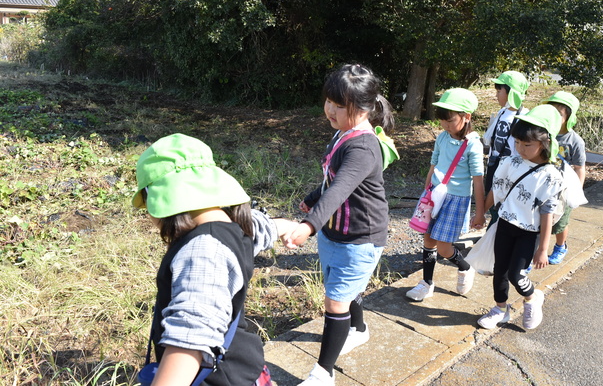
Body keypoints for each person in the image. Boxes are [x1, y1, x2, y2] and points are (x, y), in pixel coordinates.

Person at [132, 133, 293, 386]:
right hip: (243, 368)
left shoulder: (203, 250)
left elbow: (190, 340)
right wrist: (287, 226)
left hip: (220, 378)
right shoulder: (237, 225)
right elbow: (262, 228)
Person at [283, 64, 395, 386]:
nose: (330, 109)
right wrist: (312, 197)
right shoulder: (343, 133)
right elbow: (333, 179)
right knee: (345, 291)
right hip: (335, 233)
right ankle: (358, 329)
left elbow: (339, 190)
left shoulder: (362, 146)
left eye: (338, 104)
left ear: (361, 109)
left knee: (335, 301)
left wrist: (308, 225)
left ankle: (323, 373)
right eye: (329, 100)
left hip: (361, 237)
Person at [478, 105, 564, 331]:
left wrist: (543, 249)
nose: (520, 149)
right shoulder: (510, 162)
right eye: (516, 142)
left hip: (529, 232)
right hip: (505, 224)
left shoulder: (551, 175)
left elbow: (547, 214)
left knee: (517, 275)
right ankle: (500, 308)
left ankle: (532, 298)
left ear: (545, 143)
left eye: (527, 145)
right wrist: (480, 214)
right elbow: (496, 190)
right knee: (500, 271)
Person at [405, 88, 486, 302]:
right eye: (442, 120)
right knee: (428, 239)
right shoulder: (442, 137)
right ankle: (427, 283)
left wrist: (480, 213)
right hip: (434, 196)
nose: (444, 125)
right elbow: (433, 165)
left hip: (456, 201)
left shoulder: (473, 146)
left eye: (449, 121)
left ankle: (465, 267)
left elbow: (478, 182)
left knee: (443, 246)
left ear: (466, 117)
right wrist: (426, 192)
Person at [482, 71, 530, 226]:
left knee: (505, 201)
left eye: (499, 91)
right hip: (494, 164)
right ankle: (493, 229)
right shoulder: (502, 112)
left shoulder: (525, 117)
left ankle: (497, 230)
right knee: (491, 197)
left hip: (511, 169)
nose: (496, 95)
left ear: (511, 93)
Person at [543, 91, 586, 265]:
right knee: (542, 219)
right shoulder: (544, 133)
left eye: (559, 114)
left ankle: (561, 246)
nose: (554, 117)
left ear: (569, 117)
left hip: (564, 189)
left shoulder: (575, 141)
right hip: (545, 185)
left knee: (560, 222)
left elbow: (580, 167)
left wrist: (576, 191)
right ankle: (537, 250)